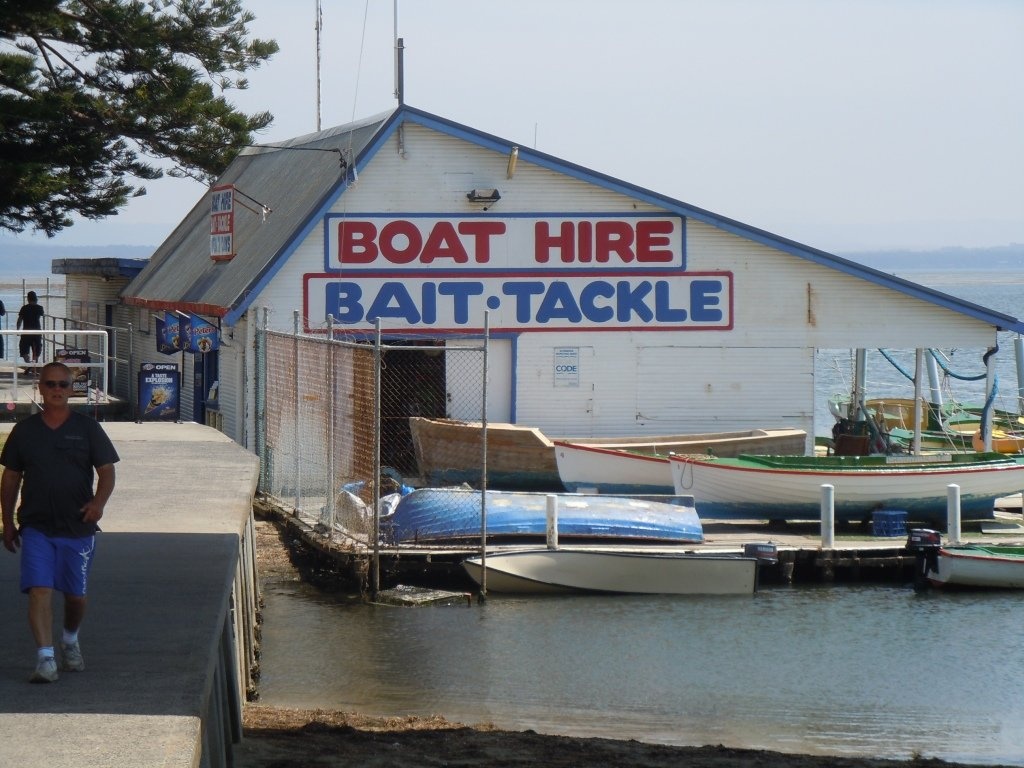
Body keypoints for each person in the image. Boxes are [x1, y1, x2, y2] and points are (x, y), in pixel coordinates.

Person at [1, 361, 119, 683]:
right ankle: (45, 659)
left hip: (77, 526)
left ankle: (69, 640)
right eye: (50, 384)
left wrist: (98, 504)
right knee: (40, 589)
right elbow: (11, 477)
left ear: (72, 389)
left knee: (74, 595)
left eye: (62, 385)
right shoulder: (24, 432)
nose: (56, 390)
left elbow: (107, 472)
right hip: (37, 525)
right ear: (40, 387)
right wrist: (8, 522)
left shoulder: (88, 429)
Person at [17, 290, 45, 367]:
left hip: (26, 332)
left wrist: (17, 330)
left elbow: (19, 320)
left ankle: (29, 364)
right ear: (36, 299)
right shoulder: (39, 308)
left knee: (24, 350)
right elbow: (43, 315)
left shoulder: (24, 308)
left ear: (28, 299)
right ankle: (34, 365)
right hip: (37, 331)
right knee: (37, 349)